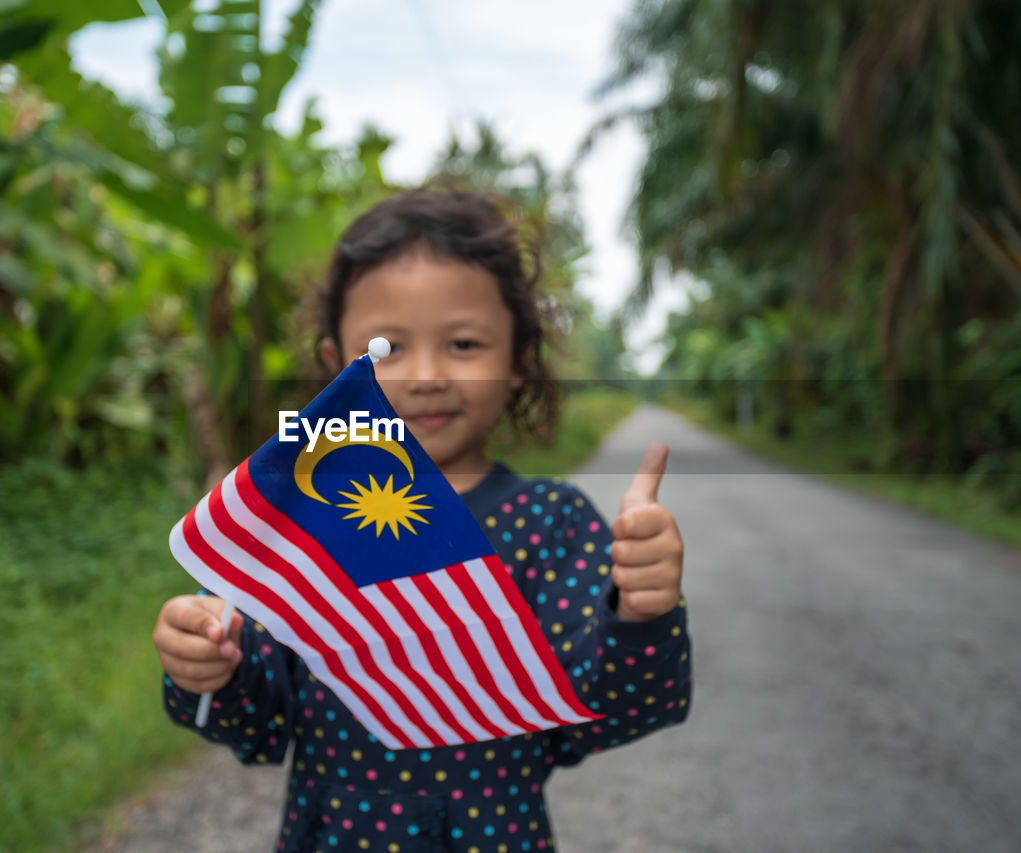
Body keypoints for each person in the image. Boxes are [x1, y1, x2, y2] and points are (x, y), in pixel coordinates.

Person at [152, 187, 692, 852]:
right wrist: (211, 662)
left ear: (518, 361)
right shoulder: (306, 521)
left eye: (463, 343)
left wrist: (638, 608)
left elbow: (604, 707)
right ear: (335, 368)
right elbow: (261, 722)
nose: (427, 375)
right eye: (387, 349)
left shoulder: (550, 524)